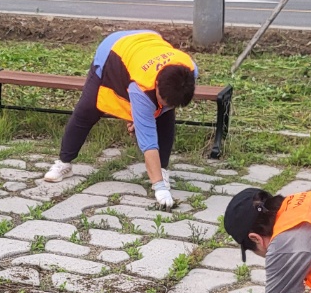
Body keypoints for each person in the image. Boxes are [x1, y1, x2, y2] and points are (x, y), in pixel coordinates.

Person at [42, 30, 197, 211]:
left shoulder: (189, 71)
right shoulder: (142, 85)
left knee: (164, 117)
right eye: (162, 101)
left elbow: (162, 107)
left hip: (148, 43)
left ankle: (161, 170)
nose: (163, 106)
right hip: (113, 53)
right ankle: (64, 163)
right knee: (87, 110)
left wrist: (155, 112)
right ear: (156, 86)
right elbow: (148, 142)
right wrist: (160, 189)